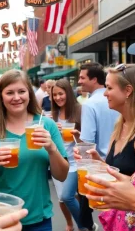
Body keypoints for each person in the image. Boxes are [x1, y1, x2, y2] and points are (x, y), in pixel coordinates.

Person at [85, 22, 135, 230]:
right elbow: (126, 173)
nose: (104, 94)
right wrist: (100, 165)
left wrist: (129, 196)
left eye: (109, 88)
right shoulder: (121, 123)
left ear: (128, 91)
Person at [0, 69, 69, 230]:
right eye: (9, 93)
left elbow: (62, 175)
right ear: (1, 96)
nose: (16, 97)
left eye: (21, 91)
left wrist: (52, 149)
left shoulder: (46, 126)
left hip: (38, 219)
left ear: (29, 94)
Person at [77, 62, 119, 231]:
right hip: (121, 165)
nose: (79, 81)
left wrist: (82, 171)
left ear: (94, 79)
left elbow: (87, 142)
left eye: (82, 77)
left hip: (99, 166)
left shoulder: (89, 104)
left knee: (94, 215)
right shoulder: (118, 100)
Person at [51, 79, 84, 231]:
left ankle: (85, 225)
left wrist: (77, 136)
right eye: (55, 95)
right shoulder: (53, 114)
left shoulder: (79, 110)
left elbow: (86, 141)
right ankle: (70, 223)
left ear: (68, 93)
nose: (58, 97)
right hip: (59, 160)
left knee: (67, 196)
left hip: (74, 161)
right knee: (62, 198)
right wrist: (52, 131)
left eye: (61, 94)